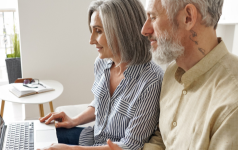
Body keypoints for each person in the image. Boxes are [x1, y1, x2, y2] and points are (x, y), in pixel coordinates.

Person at [108, 0, 238, 149]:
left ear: (188, 17)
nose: (144, 30)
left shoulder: (232, 103)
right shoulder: (171, 73)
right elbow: (163, 139)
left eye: (153, 17)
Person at [38, 0, 163, 150]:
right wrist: (74, 120)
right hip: (92, 140)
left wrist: (72, 149)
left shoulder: (151, 81)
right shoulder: (102, 63)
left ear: (123, 31)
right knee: (40, 137)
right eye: (92, 30)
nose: (91, 40)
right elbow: (102, 103)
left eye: (98, 31)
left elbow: (131, 145)